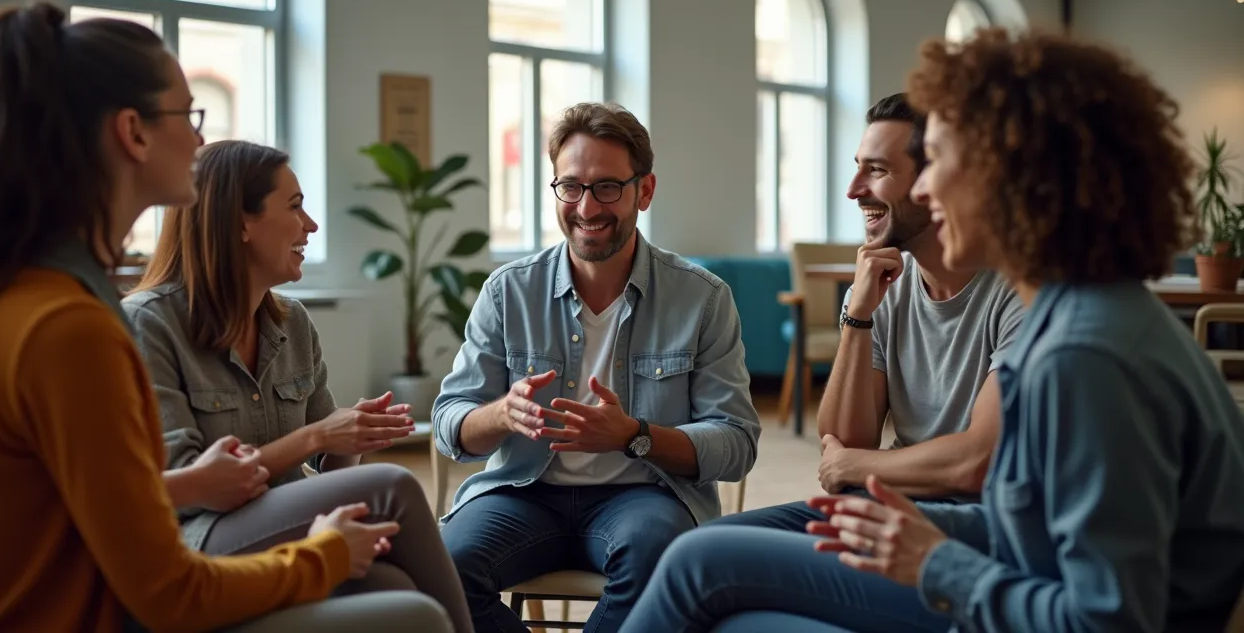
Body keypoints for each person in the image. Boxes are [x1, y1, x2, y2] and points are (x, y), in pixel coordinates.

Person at [620, 28, 1244, 633]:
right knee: (731, 598)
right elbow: (1029, 527)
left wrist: (936, 560)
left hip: (1010, 597)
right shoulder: (1081, 312)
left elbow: (1109, 619)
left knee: (697, 565)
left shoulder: (1084, 357)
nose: (922, 186)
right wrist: (916, 533)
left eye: (936, 161)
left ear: (1012, 178)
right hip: (1001, 565)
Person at [0, 1, 450, 632]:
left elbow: (85, 505)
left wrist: (206, 486)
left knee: (396, 589)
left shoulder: (12, 297)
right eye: (189, 115)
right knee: (413, 614)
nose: (201, 140)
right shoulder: (71, 329)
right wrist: (322, 554)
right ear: (134, 132)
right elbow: (168, 591)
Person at [432, 101, 761, 633]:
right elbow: (451, 422)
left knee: (659, 560)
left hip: (644, 496)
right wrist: (503, 414)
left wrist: (635, 435)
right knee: (439, 569)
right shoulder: (509, 291)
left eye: (607, 186)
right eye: (571, 186)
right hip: (523, 491)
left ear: (644, 191)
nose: (587, 207)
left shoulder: (702, 299)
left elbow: (736, 444)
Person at [123, 138, 472, 633]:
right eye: (295, 207)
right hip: (195, 539)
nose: (310, 225)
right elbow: (188, 485)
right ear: (240, 223)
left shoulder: (293, 323)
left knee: (394, 585)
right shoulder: (149, 324)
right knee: (393, 485)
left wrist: (353, 436)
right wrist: (316, 437)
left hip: (285, 529)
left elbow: (329, 468)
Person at [710, 94, 1021, 538]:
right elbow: (842, 440)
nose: (854, 190)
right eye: (859, 166)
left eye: (876, 170)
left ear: (936, 182)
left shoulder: (1018, 292)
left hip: (970, 526)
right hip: (883, 501)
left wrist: (857, 466)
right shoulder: (883, 285)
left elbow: (976, 462)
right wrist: (858, 315)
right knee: (708, 544)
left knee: (710, 567)